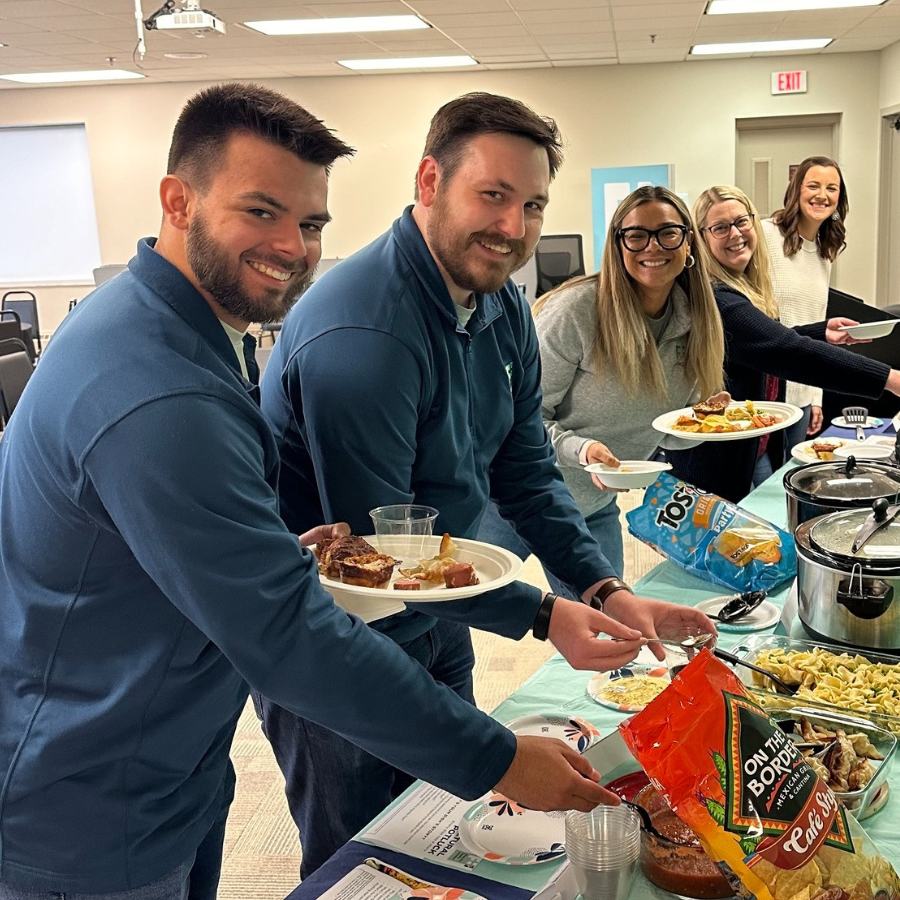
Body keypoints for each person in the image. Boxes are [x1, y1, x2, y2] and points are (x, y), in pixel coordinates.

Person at [0, 83, 668, 900]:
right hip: (91, 799)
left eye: (311, 223)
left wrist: (590, 587)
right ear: (178, 201)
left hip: (176, 760)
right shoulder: (167, 385)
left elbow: (172, 538)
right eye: (260, 212)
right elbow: (293, 631)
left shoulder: (189, 330)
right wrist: (497, 750)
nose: (293, 246)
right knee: (361, 863)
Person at [257, 94, 716, 876]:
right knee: (363, 861)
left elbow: (526, 469)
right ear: (430, 180)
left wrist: (603, 589)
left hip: (437, 614)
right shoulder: (365, 335)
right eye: (493, 195)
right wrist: (542, 614)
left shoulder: (501, 302)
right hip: (340, 646)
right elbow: (382, 555)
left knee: (441, 834)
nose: (514, 227)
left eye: (533, 204)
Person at [478, 185, 725, 581]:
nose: (653, 246)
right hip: (512, 496)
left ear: (688, 241)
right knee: (444, 604)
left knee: (610, 627)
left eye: (668, 232)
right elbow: (517, 420)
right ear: (618, 245)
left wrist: (709, 422)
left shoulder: (696, 321)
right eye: (636, 235)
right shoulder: (578, 312)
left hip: (591, 505)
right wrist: (582, 449)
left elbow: (668, 435)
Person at [667, 184, 899, 502]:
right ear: (702, 239)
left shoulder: (744, 285)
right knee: (723, 546)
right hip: (714, 463)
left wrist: (821, 332)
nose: (735, 234)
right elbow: (785, 351)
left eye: (741, 221)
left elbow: (762, 343)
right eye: (720, 227)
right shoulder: (717, 297)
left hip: (755, 448)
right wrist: (891, 379)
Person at [762, 156, 849, 451]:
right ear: (796, 190)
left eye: (831, 188)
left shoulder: (826, 253)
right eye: (813, 185)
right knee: (758, 486)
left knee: (787, 482)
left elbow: (817, 326)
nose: (822, 195)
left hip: (800, 395)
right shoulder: (765, 235)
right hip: (764, 394)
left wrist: (816, 397)